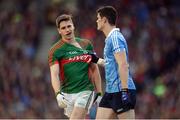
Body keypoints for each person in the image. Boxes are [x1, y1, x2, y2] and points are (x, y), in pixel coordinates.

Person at [48, 14, 102, 119]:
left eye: (69, 26)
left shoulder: (86, 45)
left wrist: (99, 92)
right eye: (63, 28)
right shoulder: (55, 50)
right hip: (67, 94)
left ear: (73, 26)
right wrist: (58, 94)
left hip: (85, 90)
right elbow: (54, 74)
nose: (67, 30)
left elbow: (94, 69)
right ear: (59, 31)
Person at [95, 6, 137, 119]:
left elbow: (123, 64)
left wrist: (124, 90)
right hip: (110, 92)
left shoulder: (115, 38)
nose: (96, 20)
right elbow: (111, 63)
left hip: (121, 91)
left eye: (98, 18)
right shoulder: (110, 39)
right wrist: (96, 60)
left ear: (104, 20)